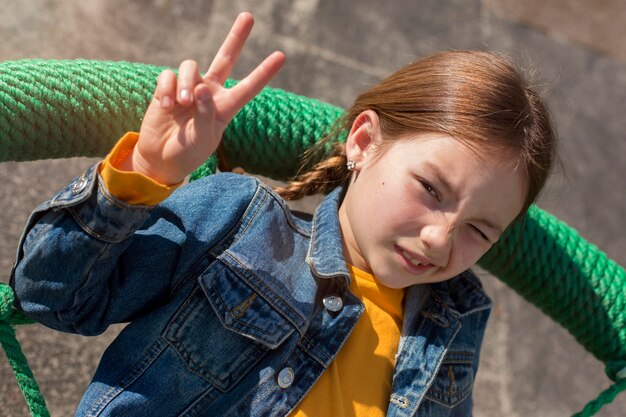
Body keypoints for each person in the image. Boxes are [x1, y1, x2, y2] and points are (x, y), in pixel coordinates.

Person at [10, 11, 556, 417]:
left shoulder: (454, 323)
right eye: (431, 190)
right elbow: (54, 296)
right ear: (363, 142)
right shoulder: (242, 230)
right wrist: (148, 171)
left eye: (480, 229)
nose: (440, 239)